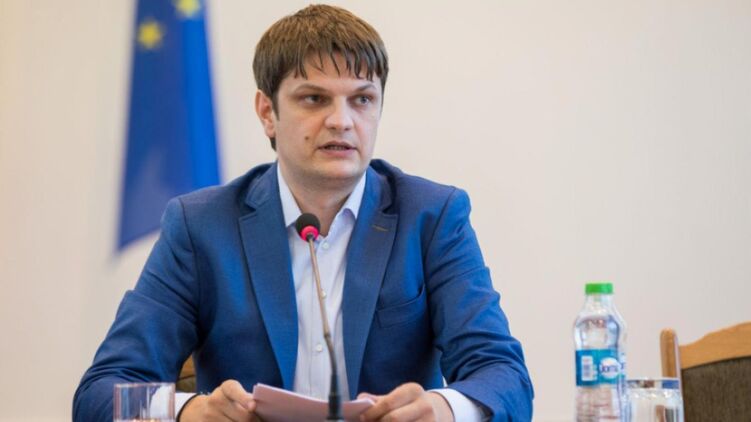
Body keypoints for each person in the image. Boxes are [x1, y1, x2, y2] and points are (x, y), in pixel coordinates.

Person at [74, 5, 533, 421]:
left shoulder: (432, 217)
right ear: (267, 112)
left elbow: (504, 376)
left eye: (362, 99)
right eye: (314, 99)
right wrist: (189, 411)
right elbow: (101, 393)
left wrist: (444, 409)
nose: (342, 121)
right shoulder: (200, 227)